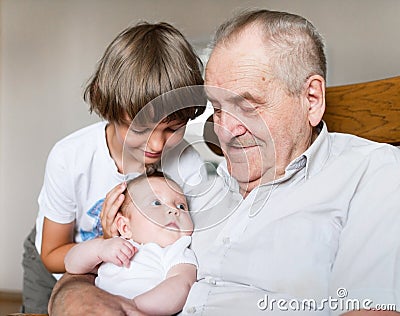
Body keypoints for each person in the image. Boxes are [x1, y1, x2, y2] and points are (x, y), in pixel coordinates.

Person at [49, 9, 400, 316]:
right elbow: (95, 265)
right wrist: (77, 298)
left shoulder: (371, 173)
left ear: (311, 99)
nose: (226, 131)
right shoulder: (193, 193)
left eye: (247, 106)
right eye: (218, 109)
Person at [22, 21, 207, 313]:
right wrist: (105, 243)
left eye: (172, 128)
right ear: (110, 109)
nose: (156, 145)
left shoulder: (187, 164)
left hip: (132, 268)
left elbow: (190, 241)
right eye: (142, 128)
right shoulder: (70, 158)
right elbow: (52, 253)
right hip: (61, 255)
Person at [65, 171, 197, 315]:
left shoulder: (178, 250)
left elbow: (182, 285)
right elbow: (71, 264)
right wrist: (100, 248)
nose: (173, 210)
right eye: (157, 203)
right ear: (125, 227)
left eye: (181, 206)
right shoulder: (114, 246)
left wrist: (134, 306)